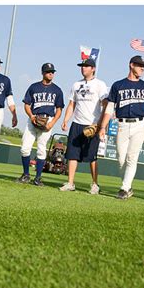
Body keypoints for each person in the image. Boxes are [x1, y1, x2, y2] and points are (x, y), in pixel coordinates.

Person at [99, 55, 144, 200]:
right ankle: (128, 185)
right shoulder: (118, 85)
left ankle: (124, 188)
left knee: (132, 157)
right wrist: (103, 126)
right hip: (122, 124)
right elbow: (110, 108)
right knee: (121, 159)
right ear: (131, 65)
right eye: (140, 66)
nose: (142, 69)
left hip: (140, 124)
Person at [59, 58, 108, 194]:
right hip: (77, 124)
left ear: (93, 69)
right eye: (82, 66)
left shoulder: (100, 84)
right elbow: (71, 104)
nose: (83, 68)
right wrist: (66, 120)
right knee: (72, 155)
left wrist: (100, 124)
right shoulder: (76, 84)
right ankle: (70, 183)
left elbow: (105, 105)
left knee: (92, 156)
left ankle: (95, 184)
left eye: (86, 66)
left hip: (92, 124)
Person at [17, 63, 65, 186]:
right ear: (43, 73)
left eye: (52, 72)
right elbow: (27, 104)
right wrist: (31, 116)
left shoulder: (57, 90)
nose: (51, 74)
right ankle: (26, 174)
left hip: (48, 120)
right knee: (25, 148)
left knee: (41, 150)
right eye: (48, 71)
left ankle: (38, 178)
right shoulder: (34, 87)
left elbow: (59, 109)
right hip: (33, 119)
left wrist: (52, 123)